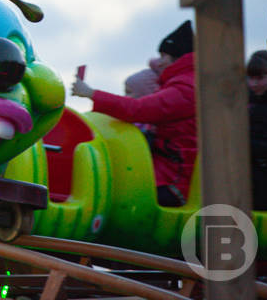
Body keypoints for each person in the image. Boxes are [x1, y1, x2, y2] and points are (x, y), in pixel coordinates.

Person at [71, 20, 197, 207]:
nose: (159, 61)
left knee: (111, 198)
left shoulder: (186, 89)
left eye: (164, 56)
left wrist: (91, 93)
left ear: (179, 58)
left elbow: (137, 109)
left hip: (173, 180)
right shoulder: (186, 83)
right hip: (166, 172)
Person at [247, 49, 267, 210]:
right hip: (246, 170)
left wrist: (248, 145)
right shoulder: (245, 99)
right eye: (250, 78)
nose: (253, 84)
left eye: (260, 78)